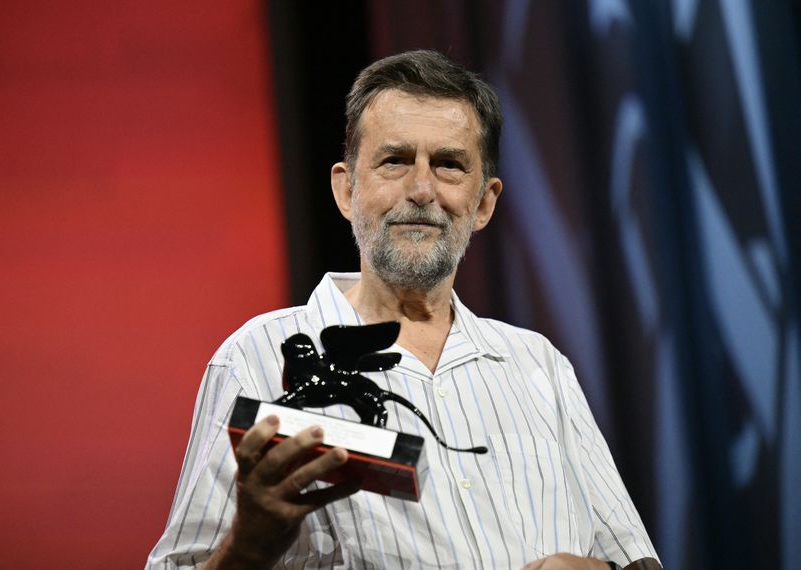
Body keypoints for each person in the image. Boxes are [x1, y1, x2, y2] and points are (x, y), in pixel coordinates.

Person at [147, 50, 661, 570]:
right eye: (394, 160)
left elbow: (633, 557)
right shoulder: (255, 360)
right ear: (346, 190)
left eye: (449, 165)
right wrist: (248, 547)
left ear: (484, 203)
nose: (420, 190)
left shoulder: (539, 366)